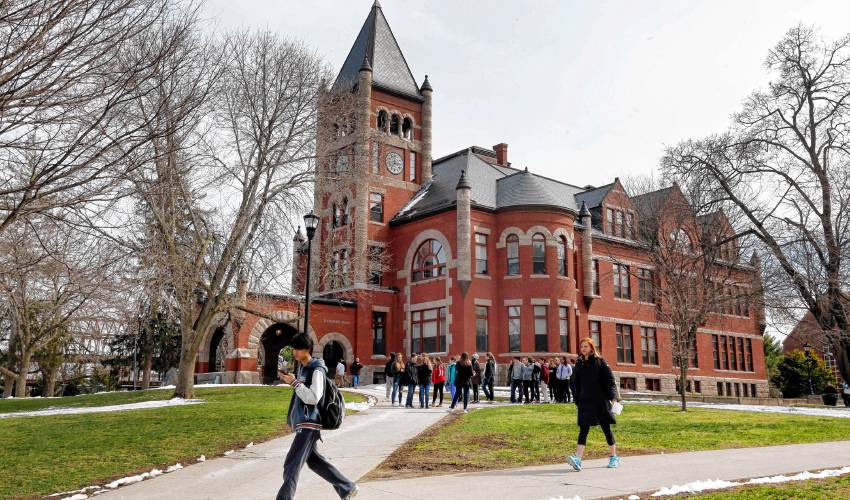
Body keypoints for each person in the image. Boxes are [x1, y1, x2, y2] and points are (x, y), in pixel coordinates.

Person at [276, 333, 358, 500]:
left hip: (310, 423)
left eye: (298, 349)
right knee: (313, 461)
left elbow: (314, 397)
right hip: (304, 423)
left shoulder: (317, 369)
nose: (295, 353)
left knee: (291, 465)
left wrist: (294, 383)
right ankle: (347, 487)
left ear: (307, 349)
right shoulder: (303, 369)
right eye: (294, 349)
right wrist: (292, 381)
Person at [566, 338, 620, 472]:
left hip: (600, 401)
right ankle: (577, 459)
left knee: (606, 428)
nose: (583, 349)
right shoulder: (578, 364)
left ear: (591, 347)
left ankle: (614, 457)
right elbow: (576, 383)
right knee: (583, 429)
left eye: (586, 346)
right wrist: (577, 399)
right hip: (585, 401)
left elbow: (609, 380)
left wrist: (614, 397)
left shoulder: (599, 361)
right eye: (582, 346)